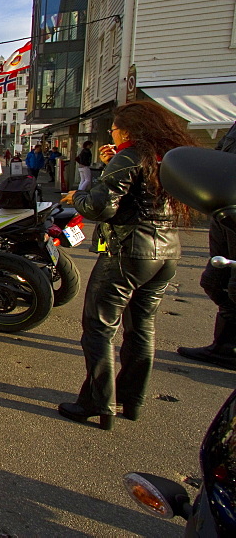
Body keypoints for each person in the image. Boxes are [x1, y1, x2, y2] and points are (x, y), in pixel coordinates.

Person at [57, 101, 195, 430]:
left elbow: (101, 206)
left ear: (129, 131)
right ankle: (131, 401)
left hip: (129, 252)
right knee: (142, 329)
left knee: (99, 329)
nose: (112, 134)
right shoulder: (165, 157)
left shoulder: (131, 155)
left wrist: (76, 196)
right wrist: (110, 164)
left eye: (115, 130)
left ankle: (96, 402)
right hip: (166, 252)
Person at [177, 120, 236, 369]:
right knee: (215, 281)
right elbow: (217, 158)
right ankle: (224, 346)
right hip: (224, 212)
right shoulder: (234, 128)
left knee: (234, 287)